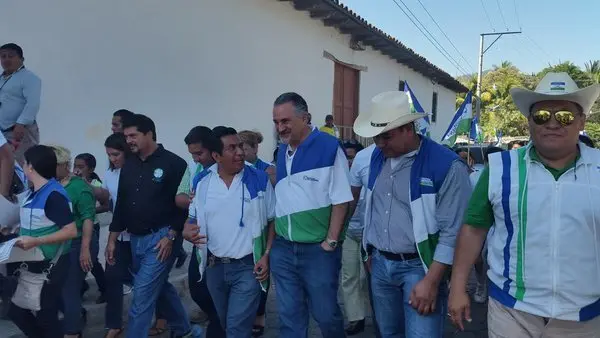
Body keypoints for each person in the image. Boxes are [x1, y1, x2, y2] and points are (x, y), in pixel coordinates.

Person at [449, 72, 600, 337]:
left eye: (564, 116)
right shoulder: (499, 169)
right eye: (542, 116)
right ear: (528, 122)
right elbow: (474, 229)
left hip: (586, 315)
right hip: (512, 310)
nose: (552, 124)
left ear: (581, 122)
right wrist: (457, 286)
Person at [353, 91, 471, 337]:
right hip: (380, 265)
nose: (380, 143)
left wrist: (432, 280)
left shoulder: (446, 165)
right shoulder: (377, 157)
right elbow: (372, 207)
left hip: (420, 268)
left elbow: (453, 232)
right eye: (376, 138)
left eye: (386, 136)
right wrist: (368, 252)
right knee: (388, 334)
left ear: (409, 128)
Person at [106, 114, 202, 338]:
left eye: (133, 135)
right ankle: (185, 330)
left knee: (141, 295)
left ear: (149, 133)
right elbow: (121, 202)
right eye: (126, 136)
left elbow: (184, 206)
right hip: (135, 239)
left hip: (161, 239)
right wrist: (112, 239)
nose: (129, 140)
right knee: (157, 288)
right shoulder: (129, 163)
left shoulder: (174, 163)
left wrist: (171, 235)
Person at [271, 92, 352, 337]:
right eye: (276, 122)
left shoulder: (328, 147)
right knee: (289, 318)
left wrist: (330, 242)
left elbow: (342, 200)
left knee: (326, 316)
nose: (280, 127)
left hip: (317, 251)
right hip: (284, 249)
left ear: (305, 118)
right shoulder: (281, 152)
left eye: (285, 121)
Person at [184, 126, 275, 338]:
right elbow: (192, 218)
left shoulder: (258, 179)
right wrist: (187, 230)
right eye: (232, 148)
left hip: (248, 268)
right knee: (226, 323)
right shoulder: (202, 181)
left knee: (236, 329)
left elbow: (272, 220)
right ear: (216, 156)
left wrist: (267, 255)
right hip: (214, 268)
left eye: (240, 146)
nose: (240, 152)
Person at [7, 145, 77, 338]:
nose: (22, 166)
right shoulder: (33, 193)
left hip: (51, 263)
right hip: (33, 262)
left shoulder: (53, 195)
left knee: (46, 315)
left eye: (24, 162)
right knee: (19, 311)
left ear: (31, 167)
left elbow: (71, 230)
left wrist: (36, 240)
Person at [174, 126, 225, 338]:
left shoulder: (229, 170)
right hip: (201, 244)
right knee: (198, 289)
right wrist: (188, 225)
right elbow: (186, 202)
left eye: (199, 153)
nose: (195, 159)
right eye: (192, 154)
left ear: (213, 150)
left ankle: (221, 325)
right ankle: (217, 318)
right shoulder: (197, 173)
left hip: (225, 247)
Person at [52, 145, 97, 338]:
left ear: (64, 165)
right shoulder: (47, 184)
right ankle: (76, 316)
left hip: (78, 243)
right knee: (56, 289)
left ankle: (72, 332)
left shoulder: (78, 186)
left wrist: (85, 250)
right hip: (54, 245)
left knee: (70, 289)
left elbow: (88, 217)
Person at [237, 129, 275, 336]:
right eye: (237, 147)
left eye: (244, 147)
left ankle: (260, 313)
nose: (240, 151)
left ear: (255, 148)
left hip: (266, 228)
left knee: (261, 272)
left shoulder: (268, 170)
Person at [101, 133, 134, 338]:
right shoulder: (109, 174)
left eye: (116, 154)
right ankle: (114, 324)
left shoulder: (138, 171)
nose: (113, 158)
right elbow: (108, 201)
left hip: (139, 237)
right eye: (109, 155)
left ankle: (166, 317)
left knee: (147, 282)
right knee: (112, 279)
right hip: (117, 236)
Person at [340, 141, 369, 336]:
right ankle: (355, 317)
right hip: (348, 232)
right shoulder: (338, 179)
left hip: (370, 233)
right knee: (349, 276)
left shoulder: (369, 176)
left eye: (351, 157)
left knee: (365, 277)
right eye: (346, 157)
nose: (349, 161)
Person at [469, 146, 503, 305]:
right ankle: (481, 284)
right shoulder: (475, 177)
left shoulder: (509, 177)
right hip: (482, 226)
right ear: (485, 161)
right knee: (479, 258)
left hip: (500, 226)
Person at [74, 152, 108, 304]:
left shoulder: (95, 185)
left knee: (92, 260)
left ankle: (105, 289)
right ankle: (80, 287)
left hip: (92, 225)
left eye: (81, 167)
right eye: (75, 166)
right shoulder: (72, 182)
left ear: (91, 169)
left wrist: (88, 211)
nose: (77, 170)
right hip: (77, 226)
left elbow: (106, 205)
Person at [0, 43, 41, 165]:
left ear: (21, 59)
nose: (6, 59)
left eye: (11, 56)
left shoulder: (29, 77)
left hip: (20, 131)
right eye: (3, 56)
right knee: (4, 166)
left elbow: (33, 103)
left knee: (21, 165)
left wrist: (21, 123)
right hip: (3, 131)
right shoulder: (2, 78)